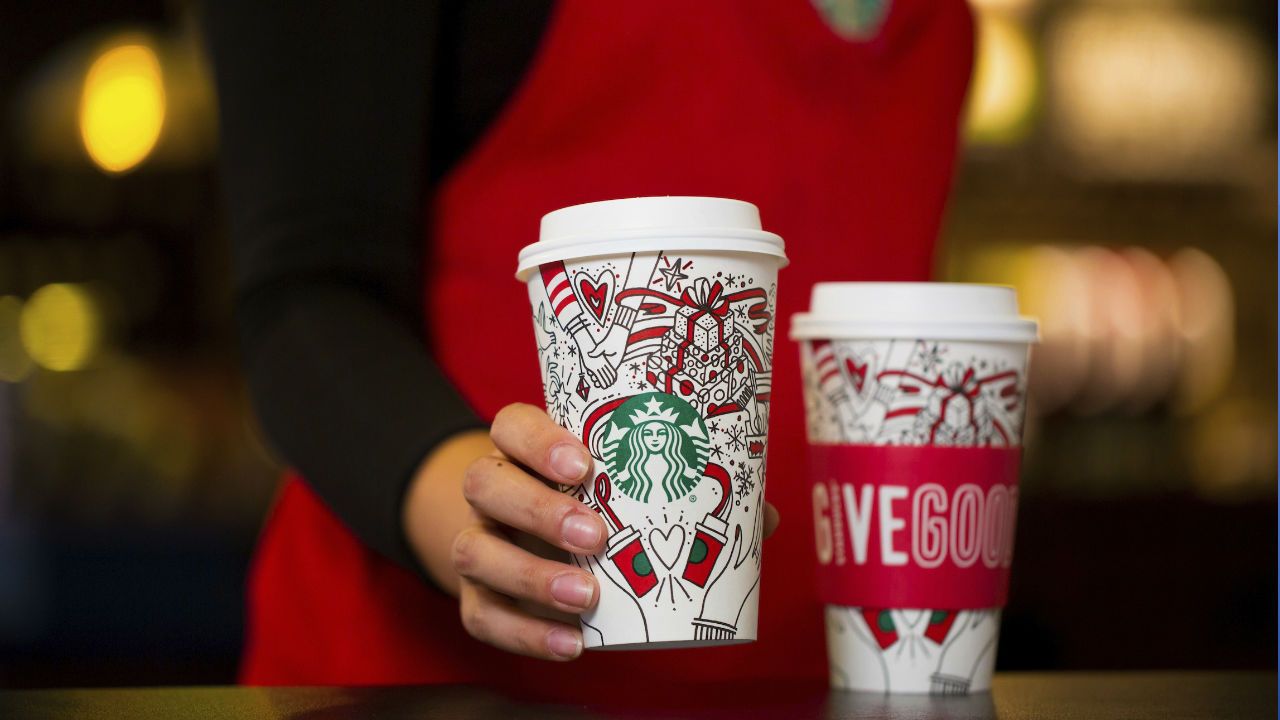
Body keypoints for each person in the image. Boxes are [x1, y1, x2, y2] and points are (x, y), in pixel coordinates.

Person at [204, 0, 973, 690]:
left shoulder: (946, 27)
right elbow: (308, 299)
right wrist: (493, 528)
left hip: (797, 688)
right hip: (427, 689)